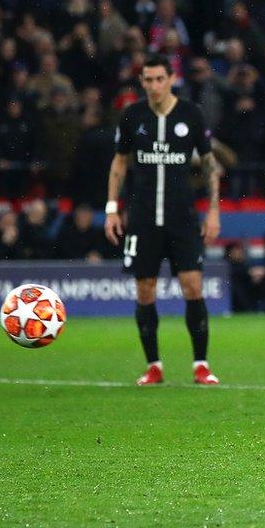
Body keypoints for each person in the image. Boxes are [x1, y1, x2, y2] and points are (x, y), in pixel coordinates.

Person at [104, 54, 222, 387]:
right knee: (145, 290)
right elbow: (119, 165)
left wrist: (214, 210)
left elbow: (211, 166)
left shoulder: (191, 115)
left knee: (192, 285)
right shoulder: (132, 116)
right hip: (142, 218)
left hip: (182, 217)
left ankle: (201, 364)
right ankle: (153, 365)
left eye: (159, 79)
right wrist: (112, 208)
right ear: (141, 82)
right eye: (148, 80)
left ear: (171, 79)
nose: (154, 86)